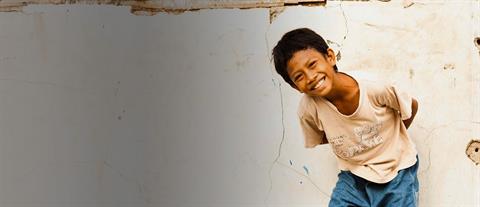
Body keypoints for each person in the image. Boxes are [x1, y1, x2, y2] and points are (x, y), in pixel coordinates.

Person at [271, 28, 419, 207]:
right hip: (353, 177)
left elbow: (411, 107)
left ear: (330, 57)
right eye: (299, 76)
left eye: (312, 64)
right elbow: (320, 137)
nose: (310, 77)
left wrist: (390, 136)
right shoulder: (308, 109)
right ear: (295, 87)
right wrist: (353, 138)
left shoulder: (374, 87)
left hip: (396, 170)